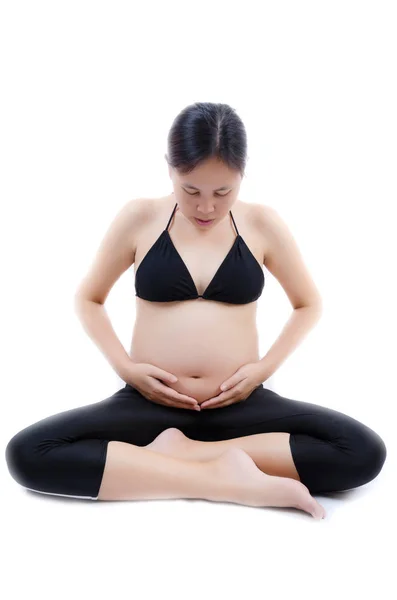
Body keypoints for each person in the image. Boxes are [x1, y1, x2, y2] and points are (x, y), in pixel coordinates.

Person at [4, 102, 387, 519]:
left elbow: (308, 304)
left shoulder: (262, 224)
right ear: (170, 168)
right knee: (28, 453)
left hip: (239, 405)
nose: (206, 208)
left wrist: (261, 370)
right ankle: (221, 477)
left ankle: (183, 454)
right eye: (191, 191)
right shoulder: (139, 217)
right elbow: (89, 298)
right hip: (149, 405)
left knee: (362, 451)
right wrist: (127, 370)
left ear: (242, 175)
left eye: (223, 192)